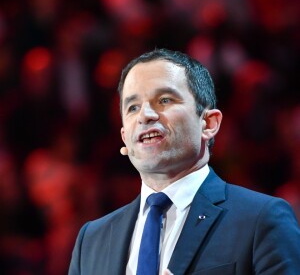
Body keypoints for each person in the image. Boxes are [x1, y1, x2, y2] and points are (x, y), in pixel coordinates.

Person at [69, 48, 300, 275]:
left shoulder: (261, 219)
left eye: (164, 100)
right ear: (124, 137)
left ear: (209, 123)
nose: (145, 115)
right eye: (133, 107)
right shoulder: (92, 240)